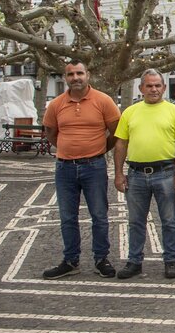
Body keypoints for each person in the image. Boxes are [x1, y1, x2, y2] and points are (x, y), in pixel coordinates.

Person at [41, 60, 121, 280]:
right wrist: (68, 148)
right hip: (64, 168)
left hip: (94, 167)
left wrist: (99, 149)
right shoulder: (57, 104)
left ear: (88, 75)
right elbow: (50, 132)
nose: (75, 77)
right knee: (67, 217)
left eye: (79, 73)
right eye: (71, 74)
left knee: (99, 215)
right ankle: (70, 260)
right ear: (65, 77)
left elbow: (116, 131)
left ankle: (101, 258)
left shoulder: (103, 101)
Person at [113, 69, 175, 280]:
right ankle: (134, 261)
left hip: (165, 172)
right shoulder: (130, 112)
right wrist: (118, 174)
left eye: (157, 85)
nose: (154, 89)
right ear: (141, 89)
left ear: (164, 87)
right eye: (149, 86)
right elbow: (120, 143)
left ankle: (170, 261)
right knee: (135, 221)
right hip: (136, 174)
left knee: (169, 220)